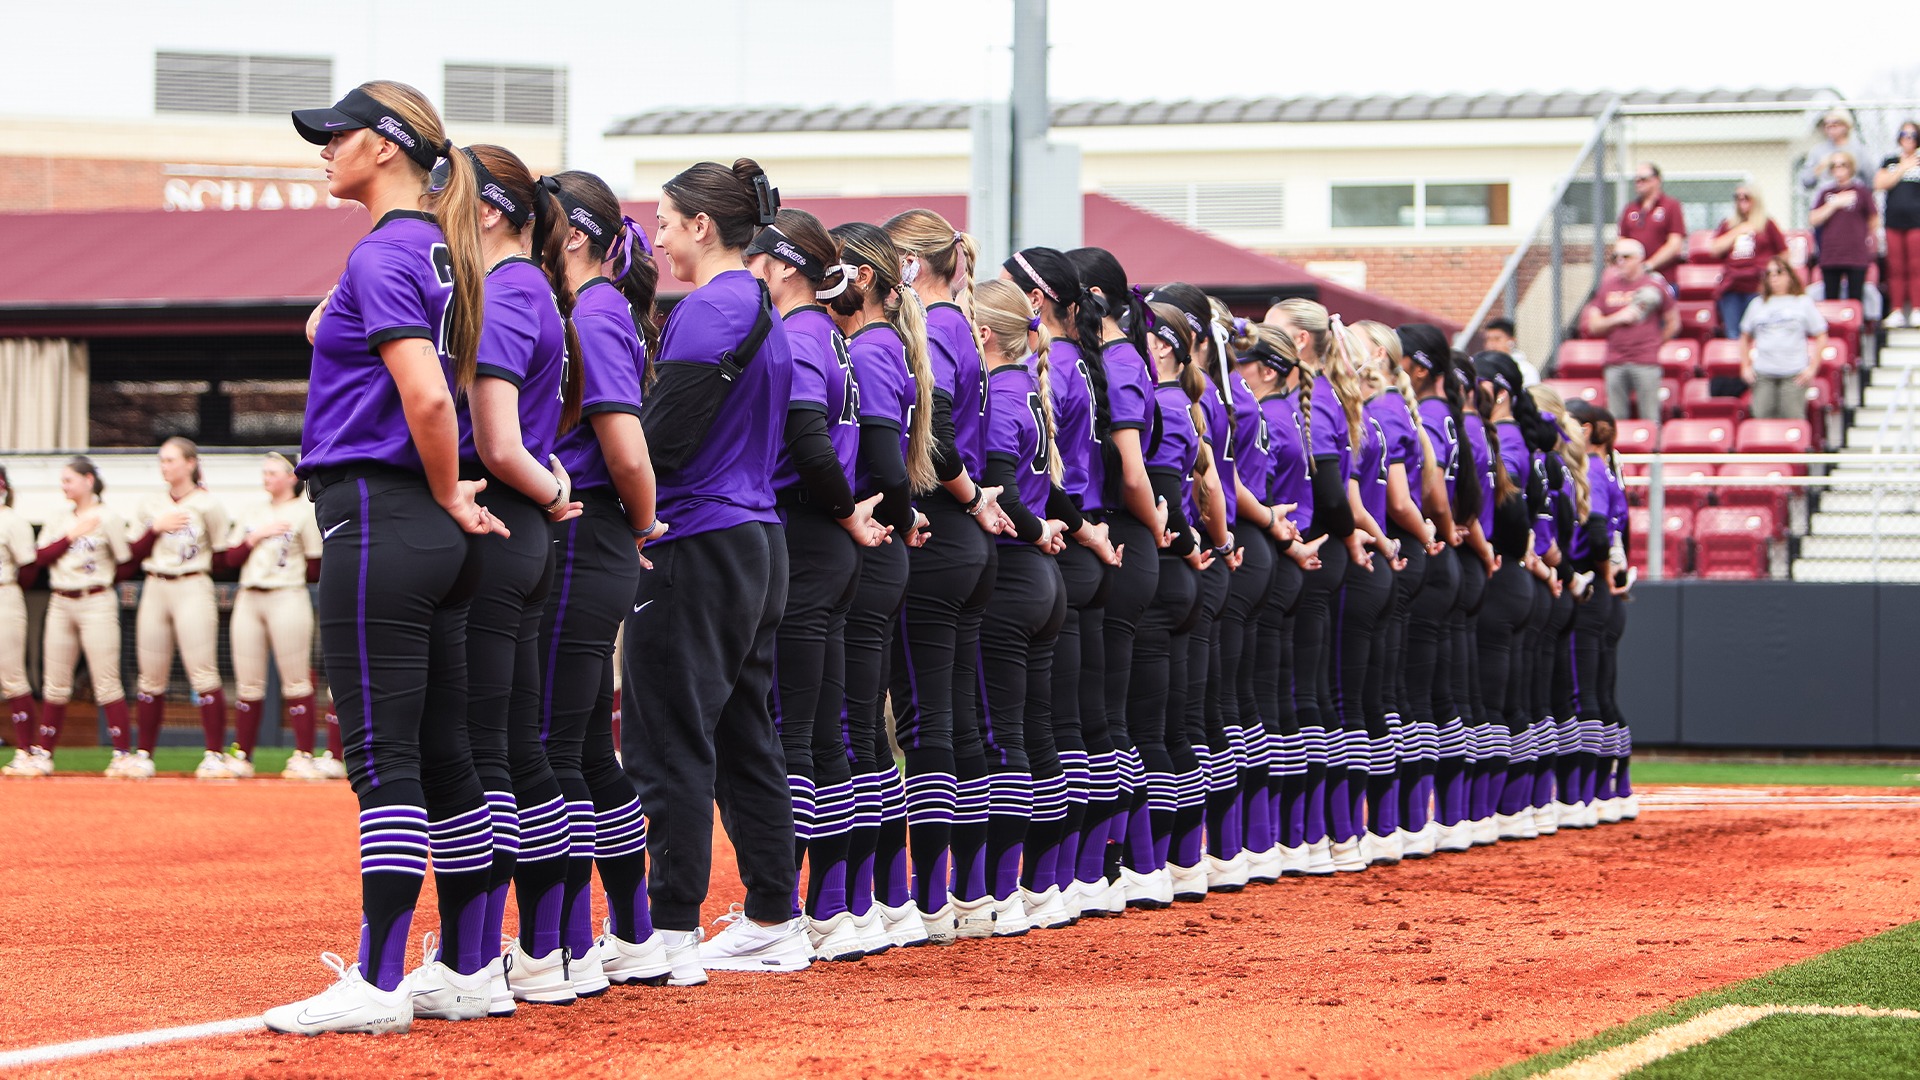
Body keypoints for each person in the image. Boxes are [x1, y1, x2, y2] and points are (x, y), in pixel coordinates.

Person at [269, 79, 504, 1036]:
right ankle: (474, 967)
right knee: (449, 758)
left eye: (339, 136)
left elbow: (430, 399)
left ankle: (374, 983)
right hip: (431, 533)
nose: (325, 149)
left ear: (388, 147)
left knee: (385, 756)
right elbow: (349, 342)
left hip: (381, 511)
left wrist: (448, 486)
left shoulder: (388, 251)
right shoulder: (443, 253)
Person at [626, 158, 807, 979]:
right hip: (755, 539)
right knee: (744, 736)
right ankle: (773, 913)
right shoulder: (760, 305)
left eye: (664, 221)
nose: (656, 236)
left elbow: (661, 438)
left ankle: (669, 932)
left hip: (698, 536)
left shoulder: (710, 309)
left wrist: (620, 510)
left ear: (702, 225)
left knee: (671, 739)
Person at [449, 143, 589, 1010]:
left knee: (485, 750)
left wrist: (548, 486)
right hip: (524, 523)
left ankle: (493, 958)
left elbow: (500, 439)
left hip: (500, 516)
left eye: (450, 189)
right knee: (520, 748)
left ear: (492, 210)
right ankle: (549, 949)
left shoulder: (506, 288)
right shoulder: (537, 289)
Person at [536, 168, 673, 987]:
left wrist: (643, 520)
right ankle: (628, 934)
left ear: (574, 236)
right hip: (597, 538)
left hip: (584, 533)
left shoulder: (593, 309)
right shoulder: (599, 308)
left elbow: (625, 447)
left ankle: (564, 948)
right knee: (588, 749)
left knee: (554, 744)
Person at [747, 207, 888, 962]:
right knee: (828, 734)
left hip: (808, 532)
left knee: (792, 734)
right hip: (827, 541)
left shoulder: (800, 334)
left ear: (783, 265)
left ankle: (788, 919)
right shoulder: (828, 334)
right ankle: (840, 908)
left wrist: (841, 510)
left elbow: (804, 437)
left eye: (756, 260)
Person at [883, 207, 1014, 943]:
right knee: (955, 721)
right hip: (967, 544)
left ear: (910, 264)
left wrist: (964, 493)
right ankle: (971, 894)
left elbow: (931, 439)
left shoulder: (932, 326)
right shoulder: (961, 324)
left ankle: (935, 901)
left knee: (930, 724)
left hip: (940, 536)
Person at [825, 220, 934, 950]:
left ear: (861, 279)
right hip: (881, 547)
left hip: (868, 550)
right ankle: (881, 900)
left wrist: (890, 510)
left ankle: (853, 906)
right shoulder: (883, 343)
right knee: (864, 728)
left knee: (851, 727)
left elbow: (887, 469)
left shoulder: (869, 346)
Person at [1065, 246, 1169, 918]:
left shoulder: (1121, 357)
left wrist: (1154, 528)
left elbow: (1133, 471)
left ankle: (1131, 864)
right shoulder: (1115, 357)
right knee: (1109, 710)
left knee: (1106, 713)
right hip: (1119, 538)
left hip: (1123, 539)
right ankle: (1124, 864)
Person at [971, 277, 1070, 935]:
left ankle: (1004, 893)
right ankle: (1045, 886)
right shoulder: (1028, 389)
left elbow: (1003, 486)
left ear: (983, 336)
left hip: (1012, 578)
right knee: (1036, 734)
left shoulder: (1002, 391)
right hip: (1041, 581)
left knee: (1004, 737)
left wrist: (1034, 527)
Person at [129, 437, 234, 779]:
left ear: (190, 463)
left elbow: (221, 556)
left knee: (202, 671)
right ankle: (144, 753)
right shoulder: (149, 503)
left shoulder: (208, 504)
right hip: (156, 584)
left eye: (171, 460)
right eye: (162, 460)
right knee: (150, 675)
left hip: (192, 583)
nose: (165, 466)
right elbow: (132, 553)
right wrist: (156, 528)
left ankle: (214, 754)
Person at [223, 452, 329, 780]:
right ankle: (242, 754)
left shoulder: (304, 511)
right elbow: (230, 558)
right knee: (248, 681)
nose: (266, 477)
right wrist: (256, 536)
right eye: (264, 472)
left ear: (291, 477)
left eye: (273, 472)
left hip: (287, 594)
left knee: (295, 678)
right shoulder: (253, 511)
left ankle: (303, 755)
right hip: (249, 595)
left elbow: (315, 563)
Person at [1581, 239, 1678, 427]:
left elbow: (1673, 322)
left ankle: (1650, 455)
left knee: (1650, 418)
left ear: (1640, 259)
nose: (1620, 262)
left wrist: (1655, 344)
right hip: (1615, 360)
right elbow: (1592, 325)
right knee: (1615, 420)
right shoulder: (1607, 286)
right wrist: (1618, 318)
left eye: (1626, 257)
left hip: (1645, 361)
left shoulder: (1653, 285)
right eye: (1615, 257)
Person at [1740, 256, 1829, 420]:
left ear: (1790, 275)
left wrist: (1812, 368)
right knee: (1761, 418)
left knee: (1792, 419)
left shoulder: (1802, 302)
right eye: (1769, 274)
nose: (1774, 278)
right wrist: (1745, 366)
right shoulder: (1757, 304)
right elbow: (1745, 336)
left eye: (1779, 272)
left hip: (1794, 373)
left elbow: (1821, 335)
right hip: (1763, 374)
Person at [1710, 186, 1787, 338]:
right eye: (1737, 197)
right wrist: (1738, 230)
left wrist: (1771, 276)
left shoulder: (1767, 224)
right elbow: (1714, 249)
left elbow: (1784, 253)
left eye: (1746, 197)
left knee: (1759, 332)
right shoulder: (1728, 224)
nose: (1741, 201)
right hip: (1732, 286)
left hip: (1758, 286)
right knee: (1734, 334)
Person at [0, 466, 37, 762]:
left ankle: (26, 750)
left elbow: (28, 569)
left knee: (11, 674)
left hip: (5, 592)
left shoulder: (13, 521)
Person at [1809, 152, 1880, 304]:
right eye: (1834, 166)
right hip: (1831, 254)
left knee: (1855, 300)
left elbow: (1874, 219)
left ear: (1851, 167)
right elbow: (1814, 219)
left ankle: (1856, 327)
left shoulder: (1861, 192)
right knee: (1831, 300)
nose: (1838, 169)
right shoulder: (1826, 193)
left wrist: (1860, 235)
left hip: (1856, 255)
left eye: (1843, 165)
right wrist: (1834, 204)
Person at [1875, 121, 1920, 328]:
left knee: (1915, 265)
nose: (1908, 138)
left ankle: (1917, 309)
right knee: (1895, 267)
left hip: (1916, 223)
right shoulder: (1890, 161)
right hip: (1893, 223)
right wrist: (1903, 167)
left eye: (1912, 134)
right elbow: (1880, 184)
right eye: (1904, 133)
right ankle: (1897, 310)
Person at [1618, 163, 1686, 275]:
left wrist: (1648, 265)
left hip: (1663, 275)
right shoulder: (1630, 208)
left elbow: (1675, 244)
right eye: (1636, 180)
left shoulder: (1671, 205)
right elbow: (1622, 242)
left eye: (1643, 179)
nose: (1639, 183)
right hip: (1633, 277)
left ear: (1657, 180)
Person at [1800, 109, 1871, 196]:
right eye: (1827, 125)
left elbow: (1870, 179)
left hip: (1852, 201)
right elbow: (1806, 181)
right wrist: (1820, 167)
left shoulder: (1858, 150)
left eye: (1835, 125)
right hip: (1826, 201)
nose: (1830, 128)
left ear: (1846, 126)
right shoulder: (1818, 151)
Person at [1479, 318, 1537, 386]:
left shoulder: (1525, 370)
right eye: (1487, 340)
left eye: (1497, 339)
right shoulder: (1481, 367)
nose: (1490, 345)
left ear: (1511, 340)